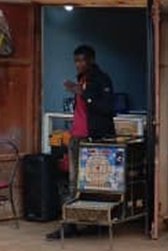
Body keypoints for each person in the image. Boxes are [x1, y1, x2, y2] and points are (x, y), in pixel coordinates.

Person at [46, 45, 117, 240]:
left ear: (91, 60)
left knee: (96, 182)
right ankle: (70, 224)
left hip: (93, 138)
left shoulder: (101, 80)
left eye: (81, 60)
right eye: (76, 61)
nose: (78, 64)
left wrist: (84, 93)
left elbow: (108, 108)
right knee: (74, 181)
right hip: (77, 137)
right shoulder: (81, 80)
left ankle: (94, 223)